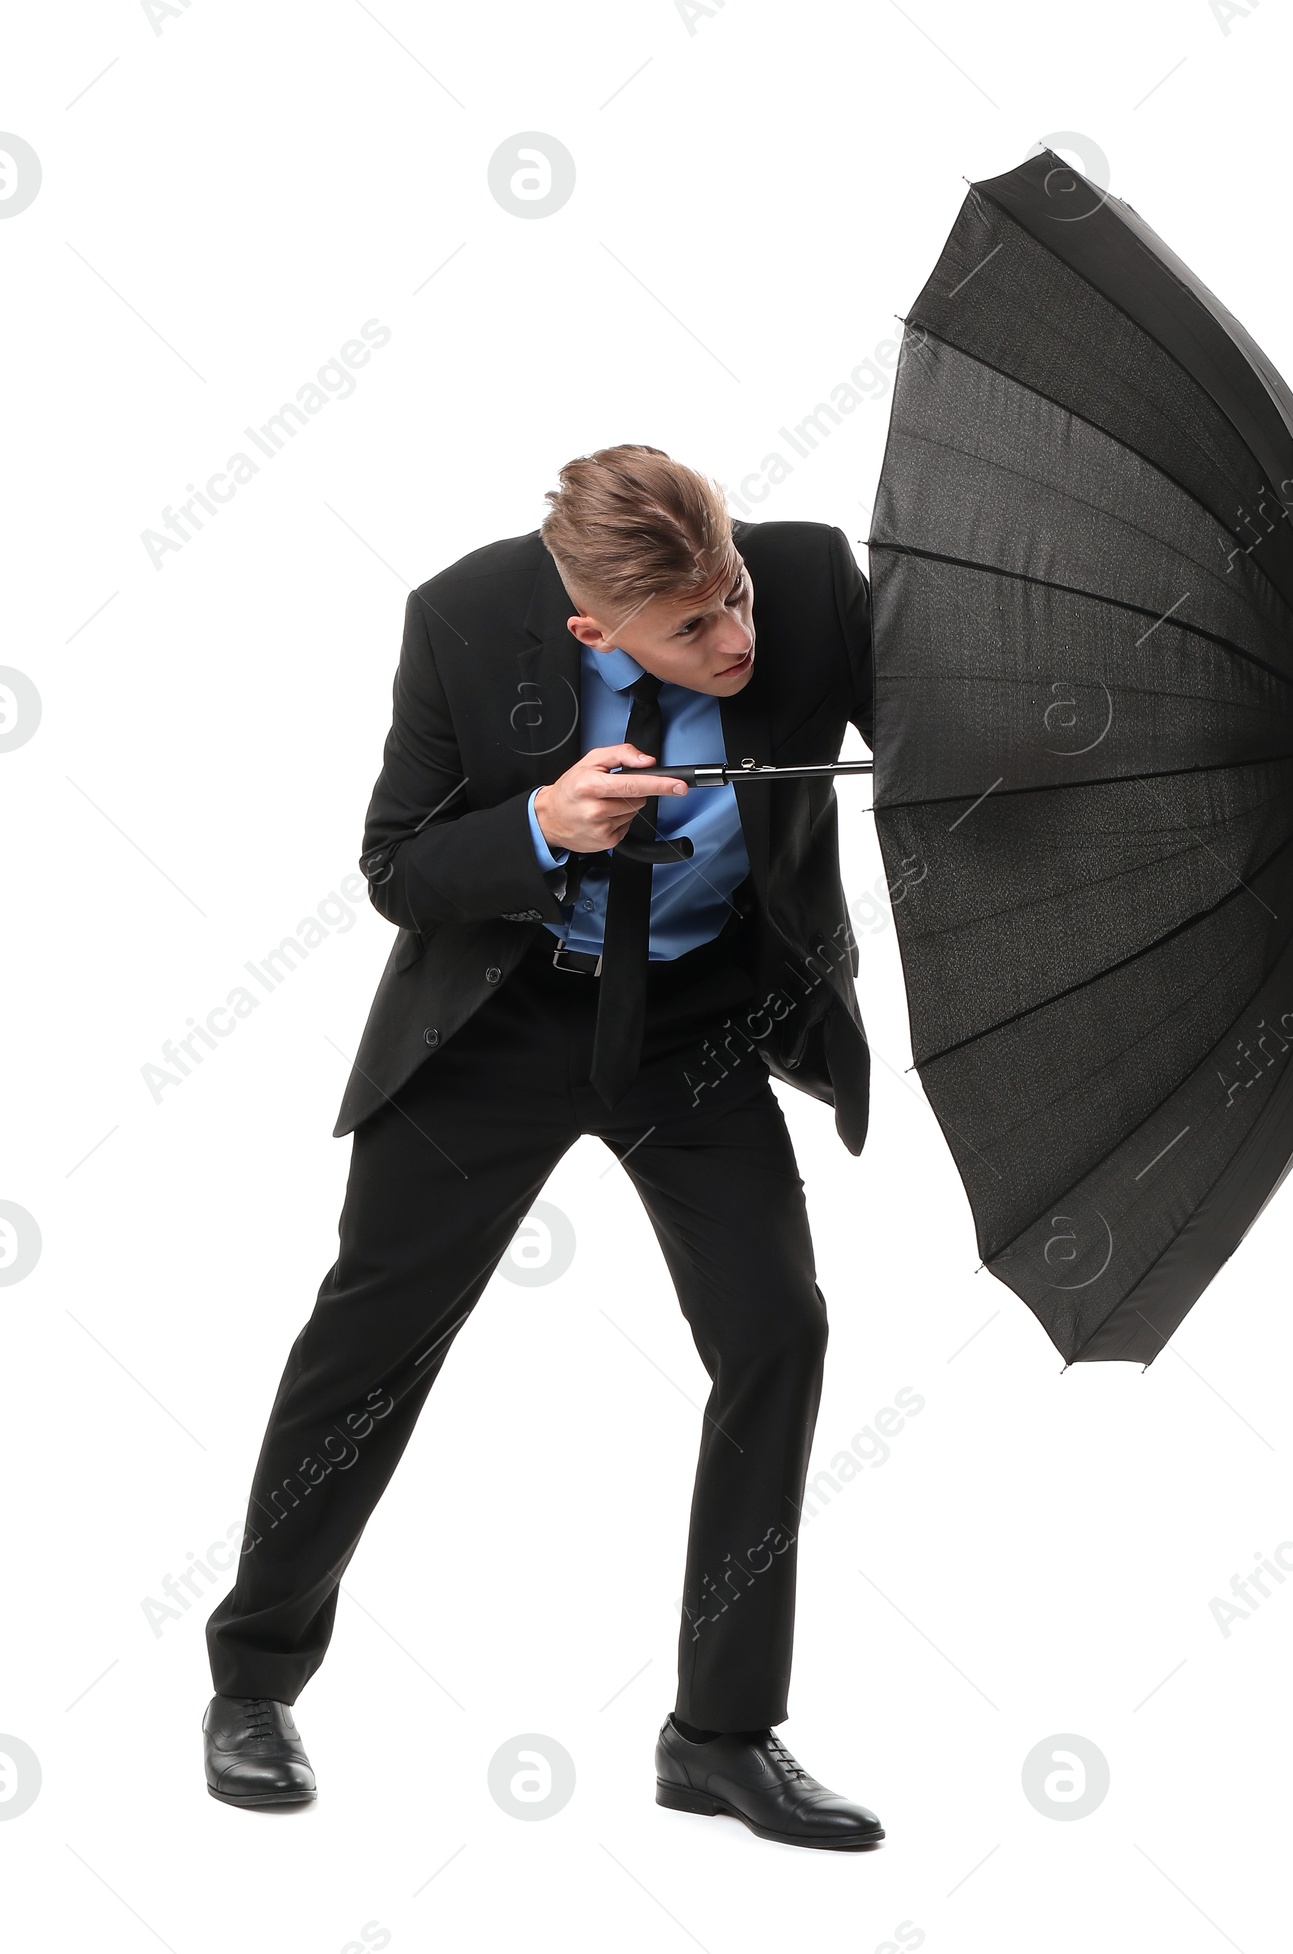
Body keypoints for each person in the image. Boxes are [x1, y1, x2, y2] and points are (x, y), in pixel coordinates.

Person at [200, 444, 884, 1848]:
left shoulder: (810, 584)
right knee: (370, 1340)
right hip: (503, 1021)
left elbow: (959, 731)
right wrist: (538, 825)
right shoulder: (459, 618)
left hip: (696, 1022)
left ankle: (722, 1735)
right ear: (592, 632)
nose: (738, 639)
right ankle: (252, 1682)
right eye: (694, 630)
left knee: (778, 1332)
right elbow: (397, 865)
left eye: (735, 595)